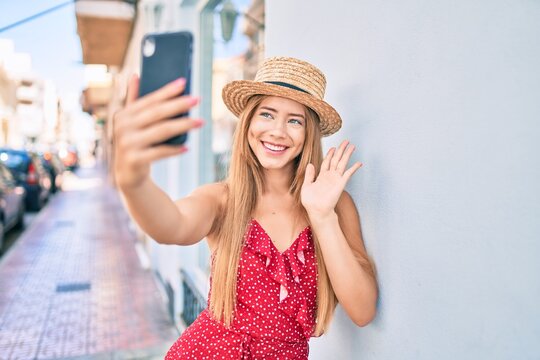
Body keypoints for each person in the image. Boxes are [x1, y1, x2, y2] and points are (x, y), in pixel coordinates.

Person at [114, 56, 378, 359]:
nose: (278, 131)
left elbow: (363, 311)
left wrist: (322, 217)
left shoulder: (334, 204)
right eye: (267, 114)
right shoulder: (223, 199)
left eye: (295, 120)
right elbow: (171, 225)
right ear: (249, 121)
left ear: (309, 133)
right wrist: (133, 182)